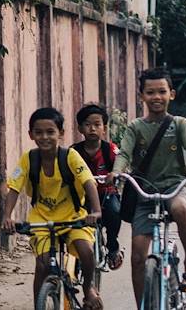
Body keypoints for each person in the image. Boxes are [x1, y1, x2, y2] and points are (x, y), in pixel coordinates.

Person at [108, 66, 186, 308]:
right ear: (142, 96)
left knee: (180, 209)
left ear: (171, 94)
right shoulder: (135, 127)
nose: (156, 97)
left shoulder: (179, 124)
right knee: (137, 256)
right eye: (150, 92)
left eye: (161, 91)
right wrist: (116, 172)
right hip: (144, 192)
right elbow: (124, 153)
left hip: (175, 186)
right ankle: (143, 305)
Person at [1, 107, 105, 310]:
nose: (44, 137)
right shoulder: (29, 159)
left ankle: (88, 288)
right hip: (42, 219)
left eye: (50, 132)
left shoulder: (70, 156)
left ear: (61, 133)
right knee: (42, 265)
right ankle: (39, 304)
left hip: (73, 217)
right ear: (31, 134)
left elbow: (88, 183)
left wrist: (96, 211)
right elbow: (14, 187)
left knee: (86, 252)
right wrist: (7, 216)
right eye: (38, 132)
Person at [71, 103, 123, 270]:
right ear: (80, 128)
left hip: (106, 193)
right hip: (82, 196)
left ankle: (113, 245)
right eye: (87, 124)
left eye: (97, 124)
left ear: (104, 128)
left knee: (114, 211)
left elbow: (121, 165)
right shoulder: (73, 152)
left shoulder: (110, 149)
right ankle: (78, 255)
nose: (92, 128)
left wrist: (116, 174)